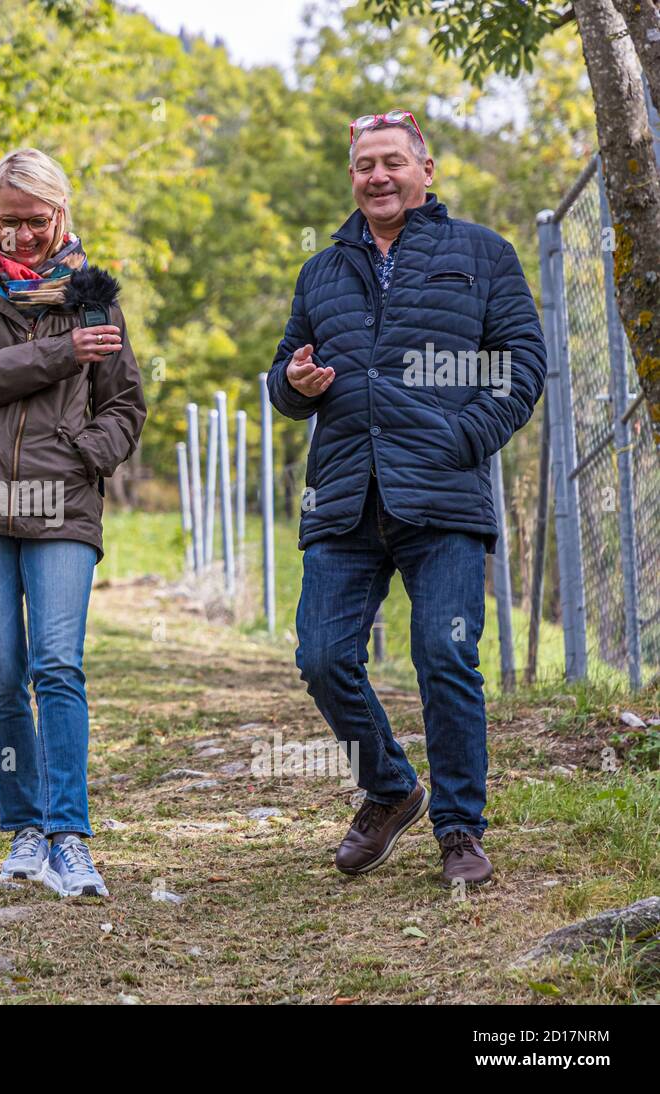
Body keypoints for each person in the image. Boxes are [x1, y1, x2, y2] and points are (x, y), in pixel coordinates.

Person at [266, 111, 547, 885]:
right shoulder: (322, 270)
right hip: (344, 496)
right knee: (323, 658)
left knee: (444, 653)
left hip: (443, 497)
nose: (378, 176)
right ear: (352, 177)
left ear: (427, 169)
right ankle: (392, 790)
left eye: (393, 161)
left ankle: (460, 830)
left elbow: (522, 365)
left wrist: (465, 438)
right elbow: (286, 373)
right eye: (364, 165)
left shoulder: (483, 254)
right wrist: (291, 384)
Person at [0, 148, 146, 898]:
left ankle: (69, 836)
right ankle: (23, 829)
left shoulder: (94, 296)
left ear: (60, 214)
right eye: (7, 220)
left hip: (62, 500)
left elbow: (124, 403)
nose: (20, 235)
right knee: (0, 672)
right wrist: (61, 352)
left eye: (36, 220)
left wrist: (88, 454)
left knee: (57, 665)